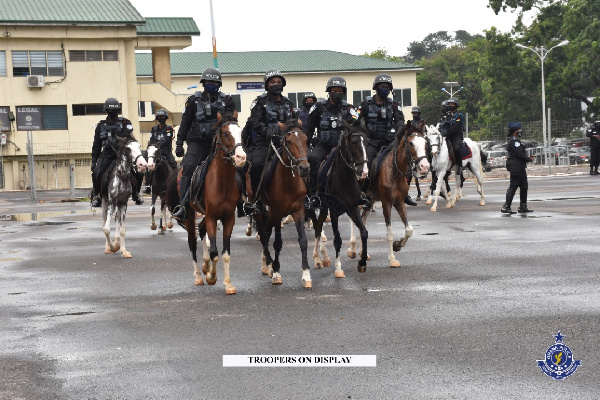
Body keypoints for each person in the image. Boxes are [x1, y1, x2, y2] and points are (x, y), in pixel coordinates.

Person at [172, 67, 236, 220]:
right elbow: (185, 122)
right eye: (208, 81)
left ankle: (242, 202)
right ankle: (183, 205)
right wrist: (179, 143)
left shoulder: (227, 100)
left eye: (214, 81)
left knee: (239, 167)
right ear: (203, 83)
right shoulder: (193, 100)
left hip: (220, 143)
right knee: (188, 167)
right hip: (197, 143)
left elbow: (231, 122)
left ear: (219, 84)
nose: (211, 84)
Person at [357, 73, 415, 206]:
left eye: (387, 87)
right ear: (376, 88)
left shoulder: (394, 105)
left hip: (390, 142)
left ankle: (405, 194)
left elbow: (400, 121)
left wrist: (398, 135)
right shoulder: (365, 104)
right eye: (382, 86)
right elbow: (356, 119)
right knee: (367, 165)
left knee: (406, 163)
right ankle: (365, 194)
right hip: (372, 141)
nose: (385, 89)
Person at [246, 69, 297, 213]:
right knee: (256, 165)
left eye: (279, 82)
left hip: (287, 142)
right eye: (273, 82)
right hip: (266, 143)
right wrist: (268, 132)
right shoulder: (260, 102)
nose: (276, 84)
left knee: (304, 161)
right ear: (267, 85)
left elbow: (293, 121)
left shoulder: (288, 103)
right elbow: (255, 122)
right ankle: (256, 201)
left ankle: (306, 198)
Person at [305, 76, 358, 207]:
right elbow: (309, 128)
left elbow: (356, 125)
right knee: (312, 158)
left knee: (361, 160)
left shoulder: (349, 108)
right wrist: (306, 146)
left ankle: (361, 194)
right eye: (335, 90)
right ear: (329, 91)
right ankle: (313, 195)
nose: (337, 93)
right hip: (323, 145)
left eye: (340, 91)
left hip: (343, 147)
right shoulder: (318, 107)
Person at [90, 97, 144, 207]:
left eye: (114, 111)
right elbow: (96, 145)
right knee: (96, 173)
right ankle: (98, 196)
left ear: (118, 111)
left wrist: (117, 140)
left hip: (123, 153)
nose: (112, 113)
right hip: (107, 155)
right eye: (109, 111)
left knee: (139, 171)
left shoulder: (125, 122)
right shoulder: (101, 126)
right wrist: (94, 161)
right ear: (106, 111)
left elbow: (128, 135)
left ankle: (136, 193)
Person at [501, 122, 535, 214]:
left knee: (524, 186)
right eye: (520, 129)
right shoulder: (514, 141)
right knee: (513, 186)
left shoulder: (515, 140)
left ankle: (523, 206)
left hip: (520, 166)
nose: (521, 131)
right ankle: (506, 206)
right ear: (516, 131)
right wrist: (528, 159)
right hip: (516, 167)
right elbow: (519, 154)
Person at [444, 97, 464, 176]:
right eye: (449, 104)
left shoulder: (459, 115)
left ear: (456, 105)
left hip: (456, 136)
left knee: (456, 148)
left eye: (452, 104)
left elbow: (456, 127)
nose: (450, 105)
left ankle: (460, 166)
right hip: (447, 135)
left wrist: (447, 132)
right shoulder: (447, 115)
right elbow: (444, 124)